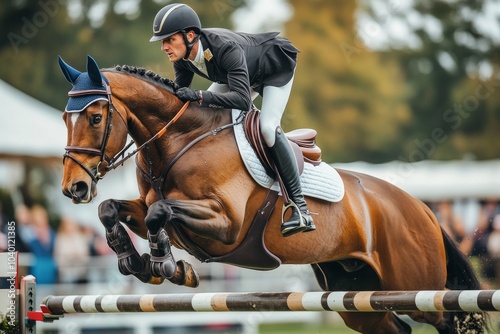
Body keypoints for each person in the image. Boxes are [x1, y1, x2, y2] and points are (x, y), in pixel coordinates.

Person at [149, 3, 315, 237]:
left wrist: (199, 95)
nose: (164, 47)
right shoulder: (182, 57)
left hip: (274, 67)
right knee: (208, 116)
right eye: (162, 42)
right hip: (239, 73)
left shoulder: (224, 47)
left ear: (189, 35)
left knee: (268, 127)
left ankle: (300, 207)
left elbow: (242, 100)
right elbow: (179, 99)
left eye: (169, 40)